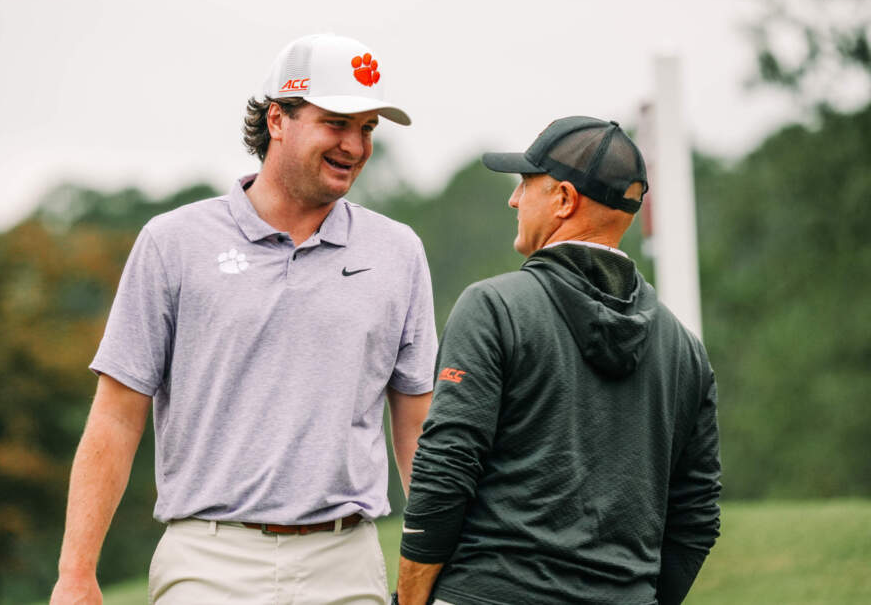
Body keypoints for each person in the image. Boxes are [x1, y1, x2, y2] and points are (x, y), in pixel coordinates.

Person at [50, 34, 437, 604]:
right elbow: (116, 416)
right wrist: (76, 573)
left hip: (346, 563)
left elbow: (417, 419)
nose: (354, 145)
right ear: (278, 119)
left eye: (368, 128)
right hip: (208, 560)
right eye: (336, 123)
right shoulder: (173, 243)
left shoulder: (398, 251)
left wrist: (439, 557)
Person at [396, 116, 721, 605]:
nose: (513, 199)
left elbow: (445, 471)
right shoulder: (686, 348)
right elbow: (696, 517)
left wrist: (409, 599)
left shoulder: (492, 307)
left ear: (564, 200)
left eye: (526, 183)